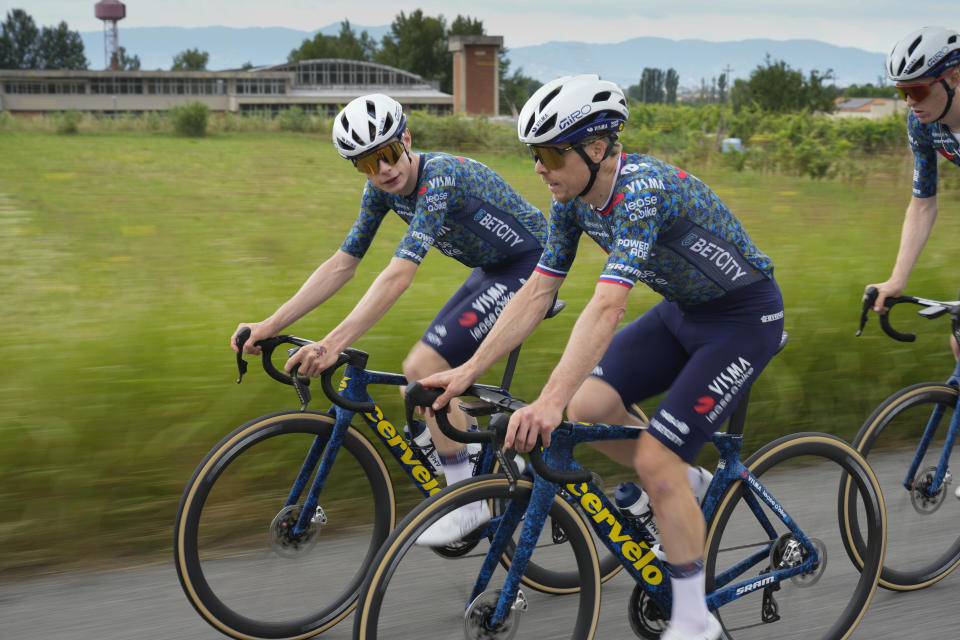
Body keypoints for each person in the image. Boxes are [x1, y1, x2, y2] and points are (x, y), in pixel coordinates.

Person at [419, 74, 784, 640]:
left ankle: (694, 619)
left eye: (548, 153)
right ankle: (693, 485)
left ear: (595, 148)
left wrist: (547, 399)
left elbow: (609, 304)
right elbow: (537, 292)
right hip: (684, 310)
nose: (538, 167)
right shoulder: (571, 201)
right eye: (532, 154)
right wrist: (468, 371)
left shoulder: (641, 190)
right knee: (586, 411)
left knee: (652, 463)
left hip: (742, 320)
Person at [230, 93, 547, 544]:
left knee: (422, 369)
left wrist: (331, 343)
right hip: (494, 269)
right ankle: (470, 452)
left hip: (532, 266)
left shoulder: (439, 179)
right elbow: (343, 263)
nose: (383, 170)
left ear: (407, 140)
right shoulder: (380, 191)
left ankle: (467, 502)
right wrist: (270, 326)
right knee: (417, 384)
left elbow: (398, 275)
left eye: (390, 154)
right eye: (366, 164)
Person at [867, 25, 960, 360]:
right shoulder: (922, 124)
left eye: (917, 91)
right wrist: (896, 280)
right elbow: (923, 204)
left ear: (954, 78)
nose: (909, 103)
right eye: (901, 92)